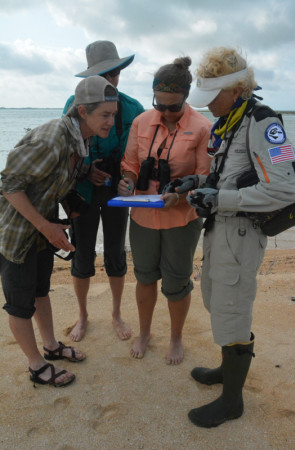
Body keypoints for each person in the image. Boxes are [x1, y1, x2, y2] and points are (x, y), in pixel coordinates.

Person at [165, 47, 295, 426]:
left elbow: (287, 189)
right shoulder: (232, 121)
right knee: (216, 300)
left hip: (241, 232)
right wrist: (197, 182)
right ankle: (228, 370)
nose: (208, 107)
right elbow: (228, 173)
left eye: (214, 98)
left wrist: (219, 197)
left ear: (238, 89)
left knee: (233, 310)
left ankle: (232, 401)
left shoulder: (263, 121)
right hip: (221, 228)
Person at [0, 76, 119, 387]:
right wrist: (46, 226)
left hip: (43, 229)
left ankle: (51, 347)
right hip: (16, 233)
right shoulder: (52, 138)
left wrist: (88, 171)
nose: (111, 121)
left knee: (41, 290)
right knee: (19, 303)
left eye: (113, 114)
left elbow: (62, 169)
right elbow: (8, 184)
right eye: (104, 115)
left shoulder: (82, 138)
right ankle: (36, 366)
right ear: (82, 111)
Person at [118, 56, 212, 365]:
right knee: (145, 277)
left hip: (181, 217)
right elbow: (130, 163)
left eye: (173, 107)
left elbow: (205, 177)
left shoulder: (202, 127)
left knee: (176, 281)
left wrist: (181, 196)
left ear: (186, 97)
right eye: (160, 105)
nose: (166, 113)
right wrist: (127, 182)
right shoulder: (142, 122)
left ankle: (175, 337)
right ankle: (144, 333)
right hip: (143, 215)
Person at [63, 40, 144, 342]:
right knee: (81, 255)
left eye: (115, 74)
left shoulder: (133, 108)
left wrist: (127, 179)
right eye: (103, 75)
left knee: (115, 252)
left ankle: (116, 314)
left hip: (115, 191)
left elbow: (134, 157)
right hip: (82, 189)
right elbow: (65, 152)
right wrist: (86, 171)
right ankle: (82, 316)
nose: (111, 81)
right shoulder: (72, 106)